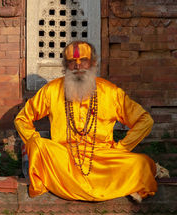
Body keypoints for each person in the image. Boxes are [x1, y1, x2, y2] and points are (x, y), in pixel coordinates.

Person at [14, 41, 158, 202]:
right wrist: (34, 139)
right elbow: (22, 119)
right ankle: (117, 187)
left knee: (142, 164)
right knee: (38, 145)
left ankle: (74, 187)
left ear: (93, 63)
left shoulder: (110, 92)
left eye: (83, 60)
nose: (77, 66)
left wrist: (122, 147)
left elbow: (145, 120)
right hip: (64, 160)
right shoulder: (52, 90)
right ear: (65, 65)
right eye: (71, 62)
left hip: (102, 160)